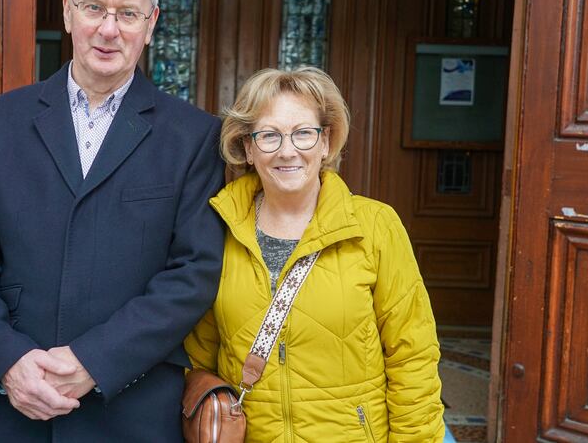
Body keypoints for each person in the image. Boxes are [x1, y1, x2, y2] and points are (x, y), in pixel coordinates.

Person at [0, 0, 225, 442]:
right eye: (94, 7)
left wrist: (95, 360)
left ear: (151, 23)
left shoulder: (194, 138)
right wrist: (8, 360)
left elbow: (193, 271)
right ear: (68, 10)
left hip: (129, 411)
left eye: (127, 13)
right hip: (14, 407)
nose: (108, 29)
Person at [185, 67, 445, 442]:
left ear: (326, 142)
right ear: (248, 147)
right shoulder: (218, 230)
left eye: (303, 133)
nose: (288, 150)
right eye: (269, 135)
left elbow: (413, 358)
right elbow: (198, 358)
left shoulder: (375, 226)